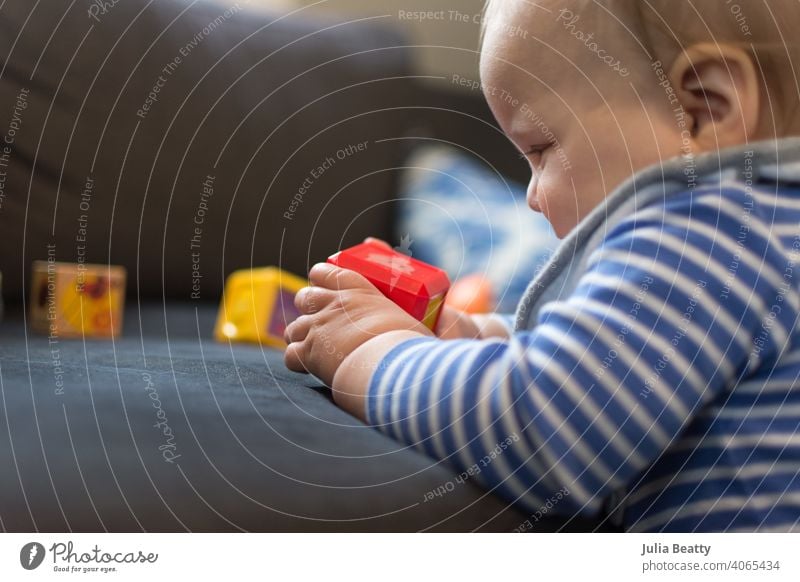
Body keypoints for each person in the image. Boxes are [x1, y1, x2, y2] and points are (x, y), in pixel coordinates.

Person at [284, 0, 800, 532]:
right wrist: (482, 338)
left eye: (541, 148)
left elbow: (552, 429)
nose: (532, 196)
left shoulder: (711, 228)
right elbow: (607, 358)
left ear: (705, 107)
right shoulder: (765, 237)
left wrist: (373, 351)